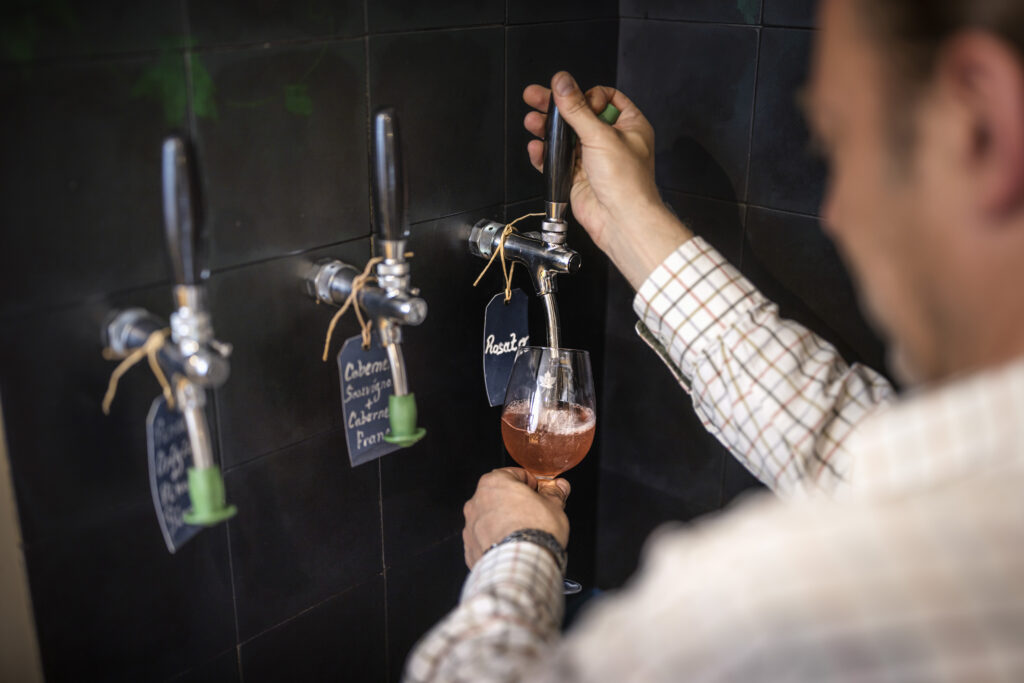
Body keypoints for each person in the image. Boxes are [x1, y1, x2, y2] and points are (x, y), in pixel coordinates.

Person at [406, 0, 1024, 679]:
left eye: (841, 142)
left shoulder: (775, 609)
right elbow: (834, 437)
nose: (838, 213)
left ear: (981, 124)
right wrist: (627, 217)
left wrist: (516, 551)